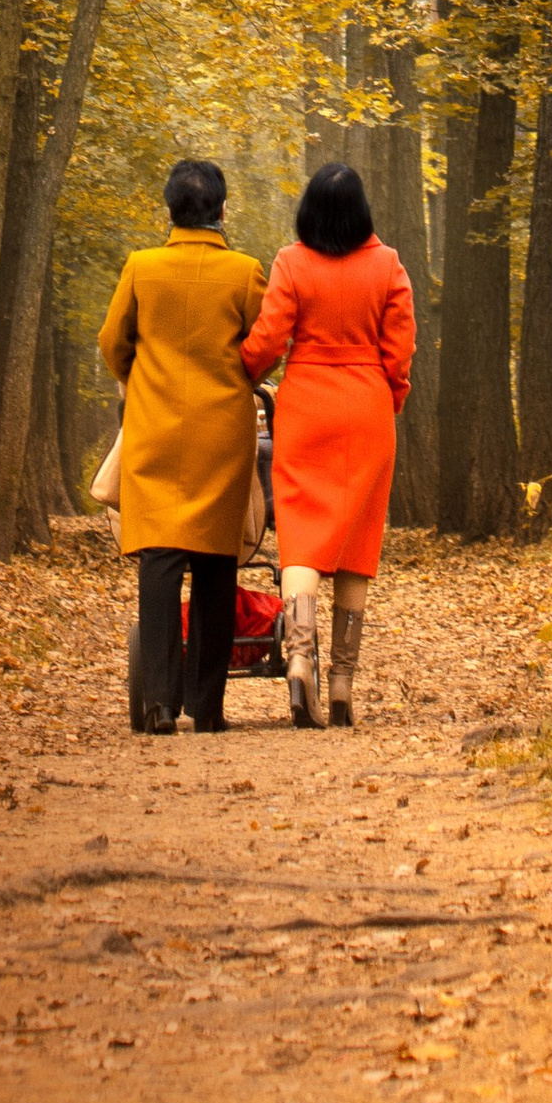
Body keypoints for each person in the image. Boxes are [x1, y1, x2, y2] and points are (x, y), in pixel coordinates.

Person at [239, 158, 415, 729]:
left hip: (305, 407)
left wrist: (246, 370)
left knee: (301, 541)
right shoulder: (388, 265)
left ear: (309, 211)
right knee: (357, 547)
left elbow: (268, 339)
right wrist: (390, 399)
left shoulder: (291, 263)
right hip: (367, 406)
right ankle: (341, 684)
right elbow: (400, 353)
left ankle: (298, 662)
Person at [96, 157, 266, 734]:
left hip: (156, 429)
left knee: (160, 559)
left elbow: (112, 342)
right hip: (221, 432)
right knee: (217, 564)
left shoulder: (141, 267)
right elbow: (267, 344)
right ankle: (207, 707)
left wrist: (141, 378)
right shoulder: (245, 272)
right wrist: (242, 375)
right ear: (222, 210)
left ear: (169, 209)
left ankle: (160, 704)